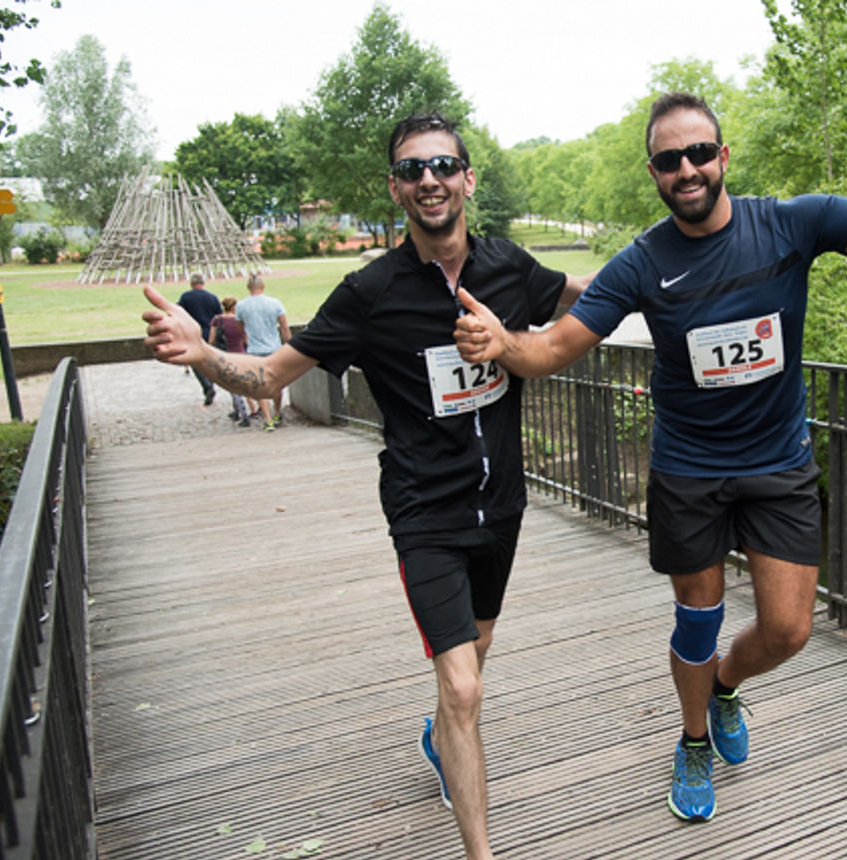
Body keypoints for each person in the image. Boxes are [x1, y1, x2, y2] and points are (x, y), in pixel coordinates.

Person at [454, 76, 847, 823]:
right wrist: (503, 345)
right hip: (688, 469)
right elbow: (558, 344)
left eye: (699, 152)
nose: (686, 169)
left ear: (724, 156)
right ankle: (690, 743)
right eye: (668, 160)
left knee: (788, 629)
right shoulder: (641, 264)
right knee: (697, 617)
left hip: (777, 463)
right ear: (652, 174)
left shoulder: (787, 226)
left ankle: (723, 688)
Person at [141, 112, 592, 860]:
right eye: (413, 170)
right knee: (467, 689)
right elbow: (269, 374)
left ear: (467, 179)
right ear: (395, 188)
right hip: (424, 513)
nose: (429, 181)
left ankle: (440, 734)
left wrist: (663, 286)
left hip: (502, 507)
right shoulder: (370, 293)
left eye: (443, 166)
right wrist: (200, 355)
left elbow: (587, 297)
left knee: (470, 667)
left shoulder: (510, 269)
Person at [235, 273, 291, 430]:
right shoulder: (275, 303)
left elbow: (241, 328)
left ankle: (267, 420)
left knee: (260, 385)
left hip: (254, 350)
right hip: (274, 348)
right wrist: (287, 343)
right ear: (263, 286)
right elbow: (284, 327)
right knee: (277, 383)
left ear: (248, 288)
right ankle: (278, 412)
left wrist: (246, 338)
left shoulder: (241, 306)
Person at [177, 272, 221, 406]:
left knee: (195, 363)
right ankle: (211, 384)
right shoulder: (212, 297)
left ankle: (207, 386)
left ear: (191, 283)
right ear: (203, 283)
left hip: (193, 334)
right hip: (210, 333)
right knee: (210, 361)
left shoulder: (186, 297)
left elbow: (179, 314)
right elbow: (219, 316)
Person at [207, 296, 251, 426]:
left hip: (225, 355)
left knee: (232, 386)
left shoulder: (217, 320)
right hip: (240, 354)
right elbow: (245, 338)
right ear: (233, 307)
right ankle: (238, 411)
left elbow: (211, 340)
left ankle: (242, 413)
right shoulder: (239, 320)